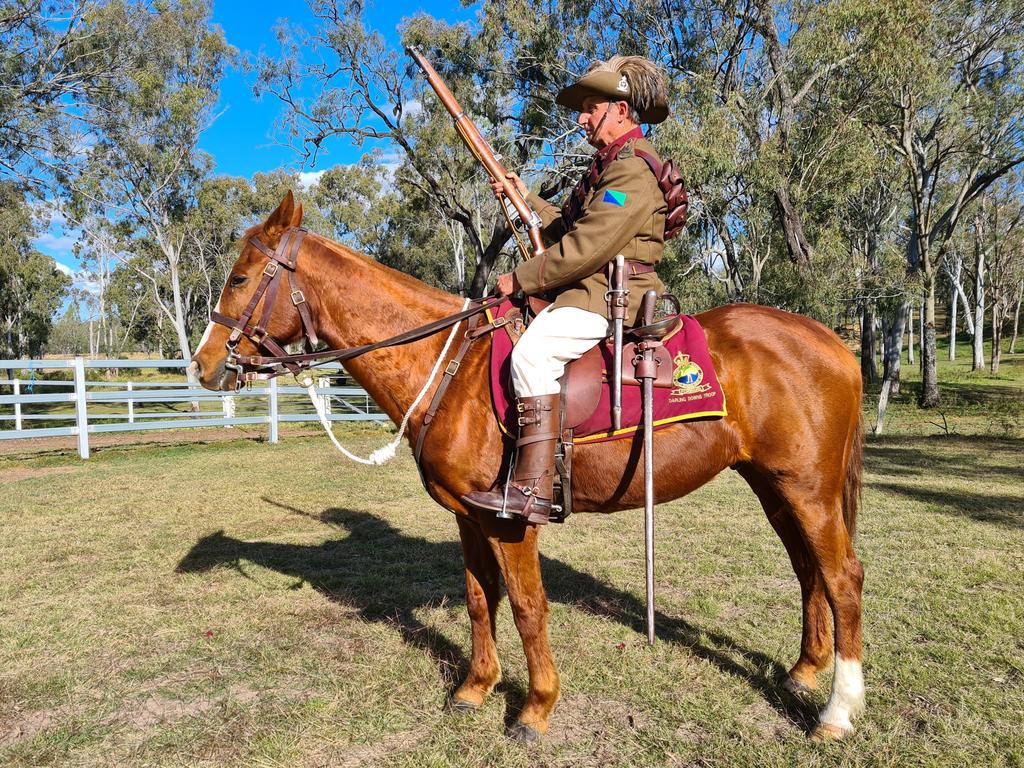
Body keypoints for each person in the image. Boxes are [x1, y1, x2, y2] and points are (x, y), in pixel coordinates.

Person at [462, 55, 671, 525]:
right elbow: (569, 224)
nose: (581, 119)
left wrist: (521, 279)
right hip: (593, 286)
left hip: (608, 294)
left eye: (590, 108)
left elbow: (586, 247)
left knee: (531, 357)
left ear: (620, 109)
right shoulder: (612, 166)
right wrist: (524, 196)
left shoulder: (633, 170)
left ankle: (532, 490)